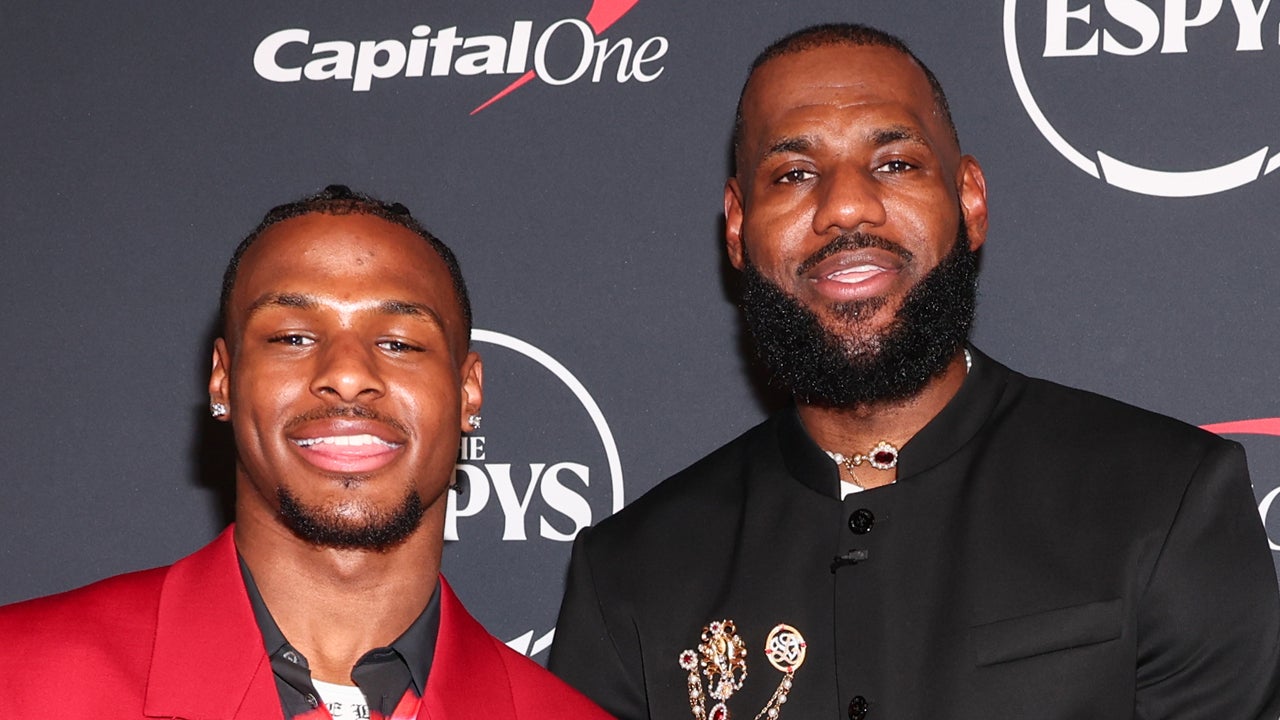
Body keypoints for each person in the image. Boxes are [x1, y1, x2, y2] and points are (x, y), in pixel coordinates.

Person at [548, 24, 1280, 720]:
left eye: (895, 164)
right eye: (795, 173)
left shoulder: (1162, 498)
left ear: (969, 200)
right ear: (738, 228)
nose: (845, 207)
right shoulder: (630, 574)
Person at [0, 185, 611, 720]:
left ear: (468, 392)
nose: (346, 375)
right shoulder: (18, 677)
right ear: (223, 381)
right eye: (292, 337)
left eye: (399, 343)